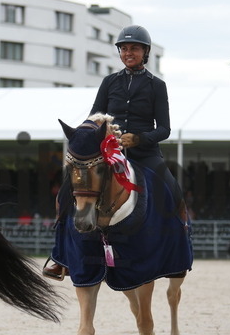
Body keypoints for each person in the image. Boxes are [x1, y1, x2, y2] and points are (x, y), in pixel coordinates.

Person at [43, 24, 183, 279]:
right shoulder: (109, 82)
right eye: (124, 49)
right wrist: (87, 135)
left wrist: (139, 138)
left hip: (144, 152)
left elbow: (164, 129)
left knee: (171, 187)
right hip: (106, 152)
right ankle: (59, 256)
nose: (129, 53)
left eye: (135, 49)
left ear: (145, 52)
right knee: (68, 189)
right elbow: (94, 115)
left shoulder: (157, 86)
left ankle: (178, 246)